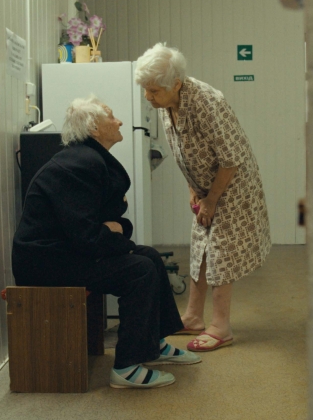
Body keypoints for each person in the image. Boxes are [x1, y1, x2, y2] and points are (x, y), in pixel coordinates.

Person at [11, 94, 199, 389]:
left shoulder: (87, 159)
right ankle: (126, 368)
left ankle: (153, 344)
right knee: (139, 270)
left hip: (65, 252)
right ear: (94, 128)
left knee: (149, 256)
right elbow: (88, 236)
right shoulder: (78, 165)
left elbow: (108, 223)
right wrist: (119, 237)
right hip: (45, 263)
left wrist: (118, 231)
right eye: (111, 116)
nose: (120, 121)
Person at [134, 43, 272, 352]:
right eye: (145, 89)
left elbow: (231, 158)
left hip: (232, 184)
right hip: (205, 186)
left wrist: (212, 199)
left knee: (221, 251)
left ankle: (221, 327)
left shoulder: (207, 102)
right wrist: (193, 188)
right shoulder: (167, 104)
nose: (147, 97)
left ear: (176, 84)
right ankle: (194, 317)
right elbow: (184, 152)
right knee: (201, 246)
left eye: (153, 90)